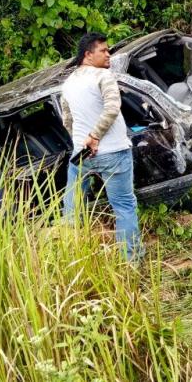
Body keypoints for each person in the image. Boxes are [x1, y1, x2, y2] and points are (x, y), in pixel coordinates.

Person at [60, 32, 143, 261]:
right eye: (103, 51)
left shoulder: (68, 84)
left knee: (73, 207)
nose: (109, 54)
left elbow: (67, 120)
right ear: (88, 54)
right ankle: (131, 261)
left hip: (82, 154)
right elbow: (112, 108)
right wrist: (95, 136)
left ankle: (70, 258)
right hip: (113, 152)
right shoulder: (103, 76)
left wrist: (82, 141)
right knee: (124, 206)